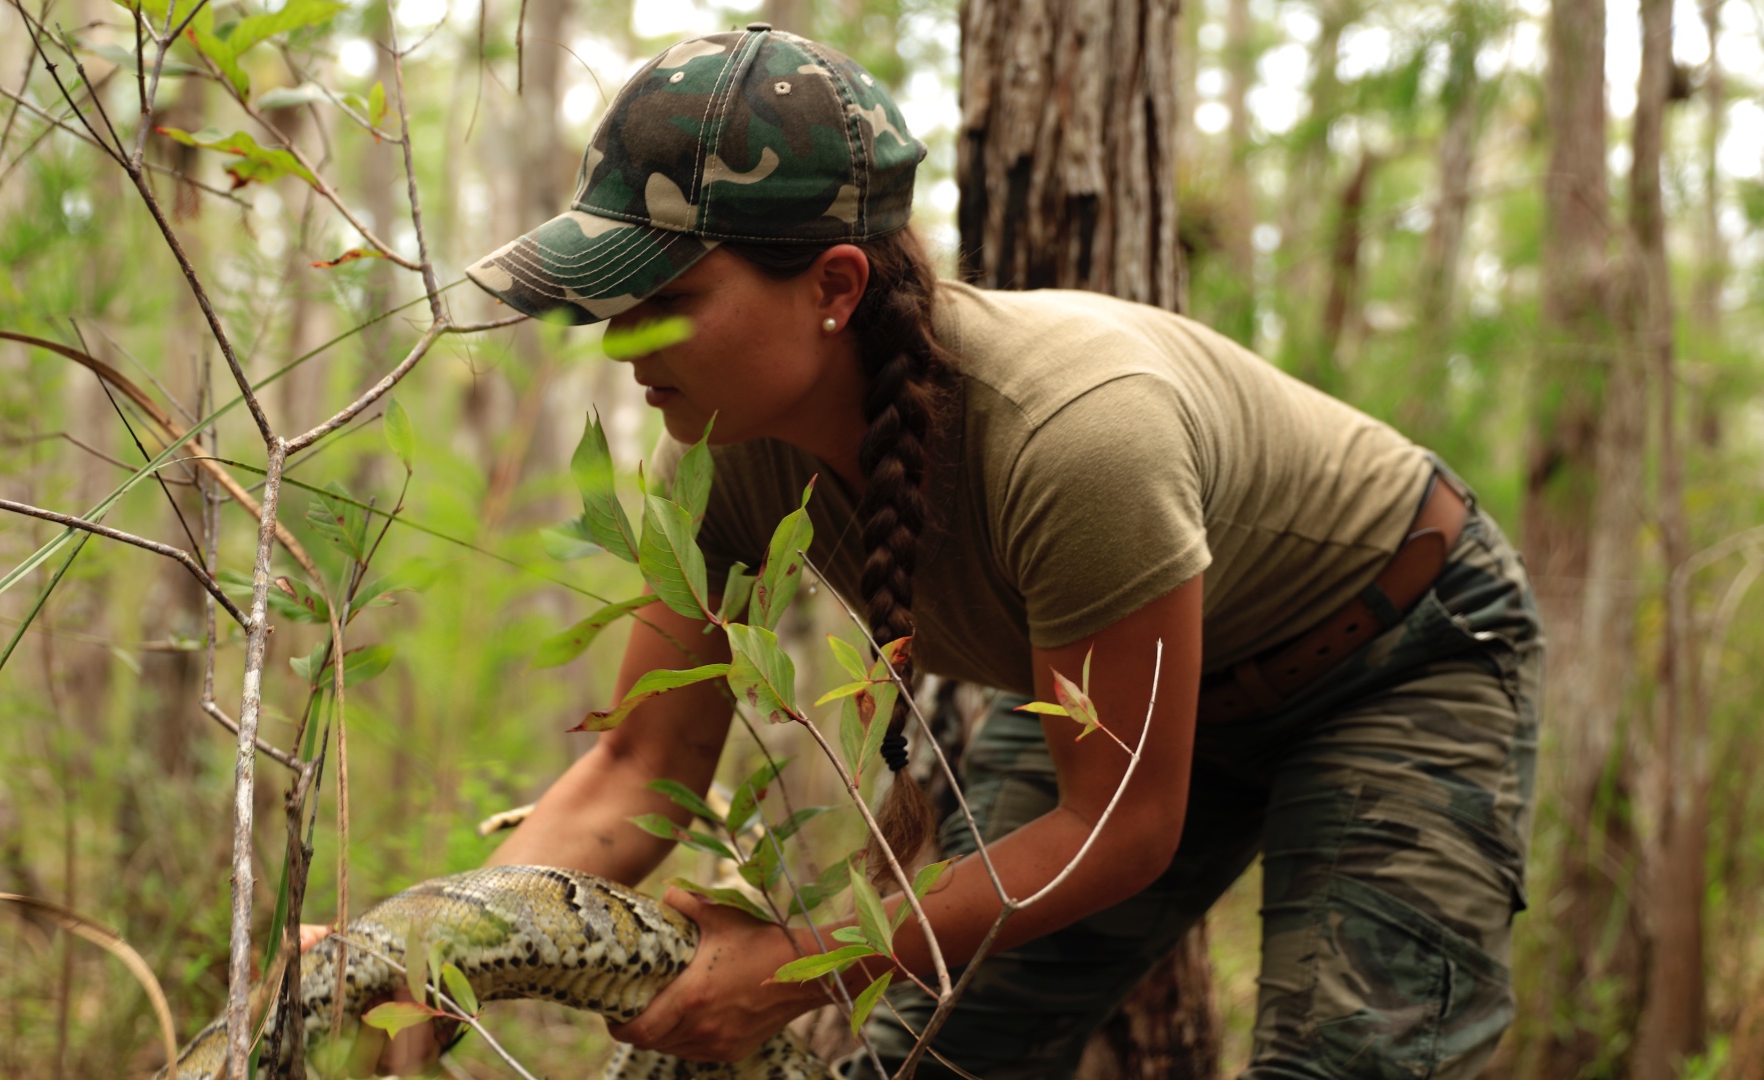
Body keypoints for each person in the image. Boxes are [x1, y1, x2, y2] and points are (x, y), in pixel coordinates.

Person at [332, 24, 1543, 1079]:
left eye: (664, 298)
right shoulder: (722, 452)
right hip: (1099, 695)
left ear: (835, 283)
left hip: (1394, 655)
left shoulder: (1079, 440)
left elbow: (1119, 823)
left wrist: (808, 962)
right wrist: (421, 960)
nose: (620, 341)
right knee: (922, 1061)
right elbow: (641, 765)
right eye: (609, 302)